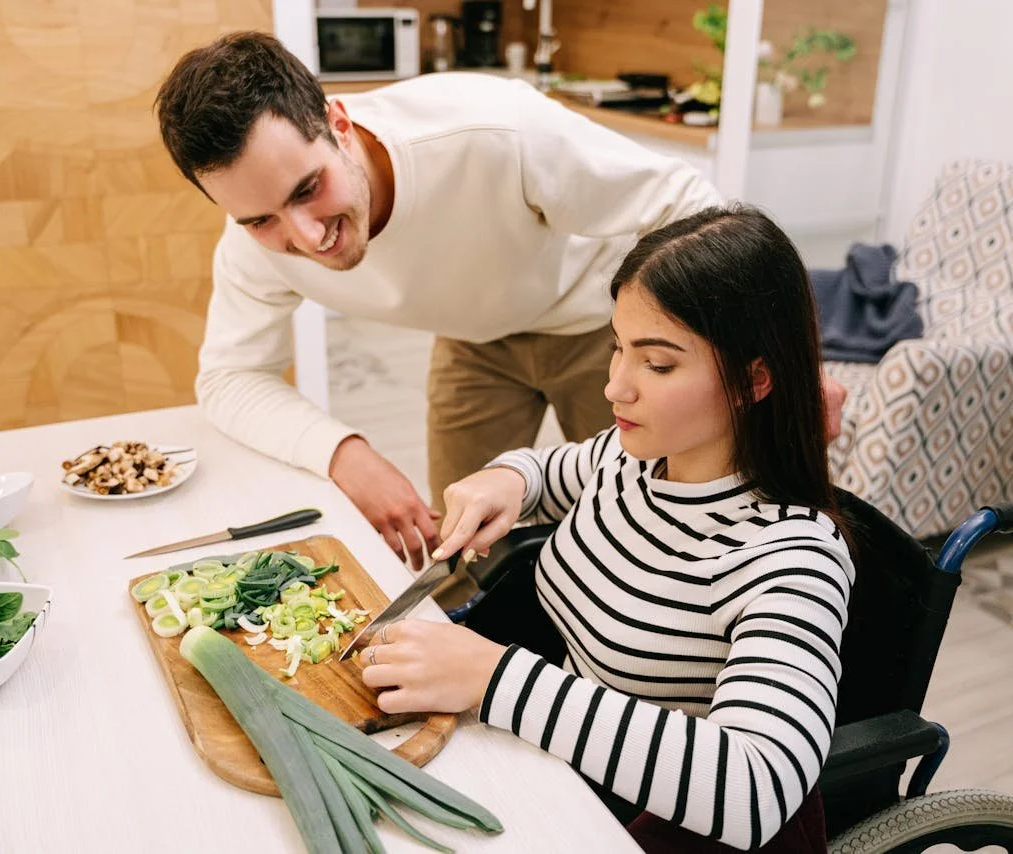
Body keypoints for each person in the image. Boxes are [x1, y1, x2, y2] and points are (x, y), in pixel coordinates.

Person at [154, 32, 847, 582]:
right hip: (474, 338)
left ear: (339, 123)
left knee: (659, 535)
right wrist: (347, 454)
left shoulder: (495, 131)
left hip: (598, 330)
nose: (304, 238)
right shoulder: (253, 242)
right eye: (260, 219)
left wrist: (790, 357)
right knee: (460, 552)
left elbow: (696, 210)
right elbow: (226, 378)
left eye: (309, 189)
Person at [356, 205, 855, 853]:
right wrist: (505, 482)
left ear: (754, 380)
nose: (616, 387)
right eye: (617, 347)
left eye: (659, 364)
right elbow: (544, 473)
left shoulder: (793, 558)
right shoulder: (631, 458)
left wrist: (494, 677)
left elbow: (756, 788)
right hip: (565, 774)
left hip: (651, 820)